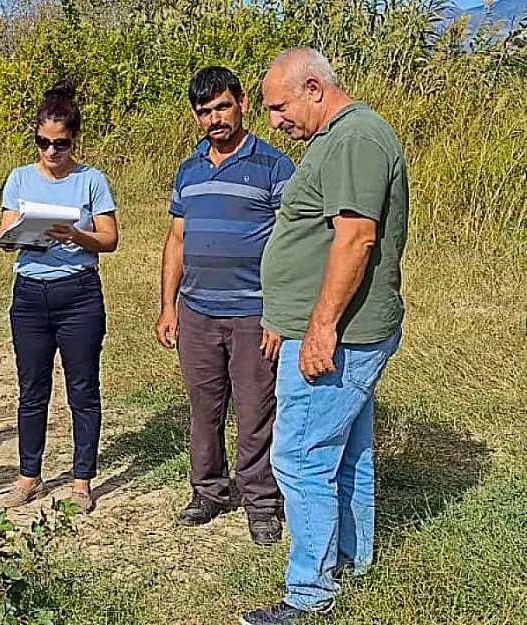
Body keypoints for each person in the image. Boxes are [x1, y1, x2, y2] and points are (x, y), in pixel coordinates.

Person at [241, 48, 409, 625]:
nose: (274, 122)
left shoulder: (354, 139)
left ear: (313, 88)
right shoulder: (337, 138)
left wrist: (318, 329)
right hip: (339, 331)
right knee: (346, 454)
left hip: (343, 336)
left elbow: (356, 237)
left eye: (279, 106)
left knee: (300, 459)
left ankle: (309, 597)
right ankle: (351, 562)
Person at [156, 66, 294, 546]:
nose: (214, 119)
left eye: (221, 107)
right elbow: (177, 240)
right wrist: (168, 308)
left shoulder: (275, 166)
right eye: (203, 112)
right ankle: (210, 492)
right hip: (196, 312)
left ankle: (260, 501)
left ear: (241, 104)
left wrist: (279, 313)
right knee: (204, 409)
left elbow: (291, 245)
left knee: (256, 410)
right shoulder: (189, 169)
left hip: (254, 312)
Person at [0, 80, 119, 514]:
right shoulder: (19, 178)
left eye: (60, 144)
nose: (51, 152)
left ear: (74, 140)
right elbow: (6, 232)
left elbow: (110, 239)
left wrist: (76, 236)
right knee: (32, 390)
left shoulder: (92, 181)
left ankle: (82, 478)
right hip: (30, 296)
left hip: (79, 295)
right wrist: (17, 238)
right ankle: (29, 475)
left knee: (82, 389)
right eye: (43, 142)